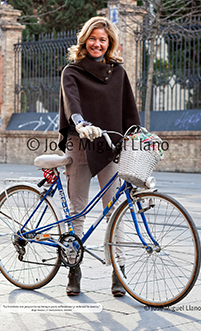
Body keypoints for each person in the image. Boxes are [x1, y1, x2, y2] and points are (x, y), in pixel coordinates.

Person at [58, 16, 140, 297]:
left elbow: (129, 109)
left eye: (102, 39)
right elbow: (72, 102)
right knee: (77, 210)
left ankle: (119, 271)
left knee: (115, 212)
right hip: (81, 143)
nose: (97, 43)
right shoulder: (72, 71)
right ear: (85, 40)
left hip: (110, 146)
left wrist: (137, 135)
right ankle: (73, 268)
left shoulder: (118, 73)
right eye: (92, 38)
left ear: (110, 43)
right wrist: (80, 124)